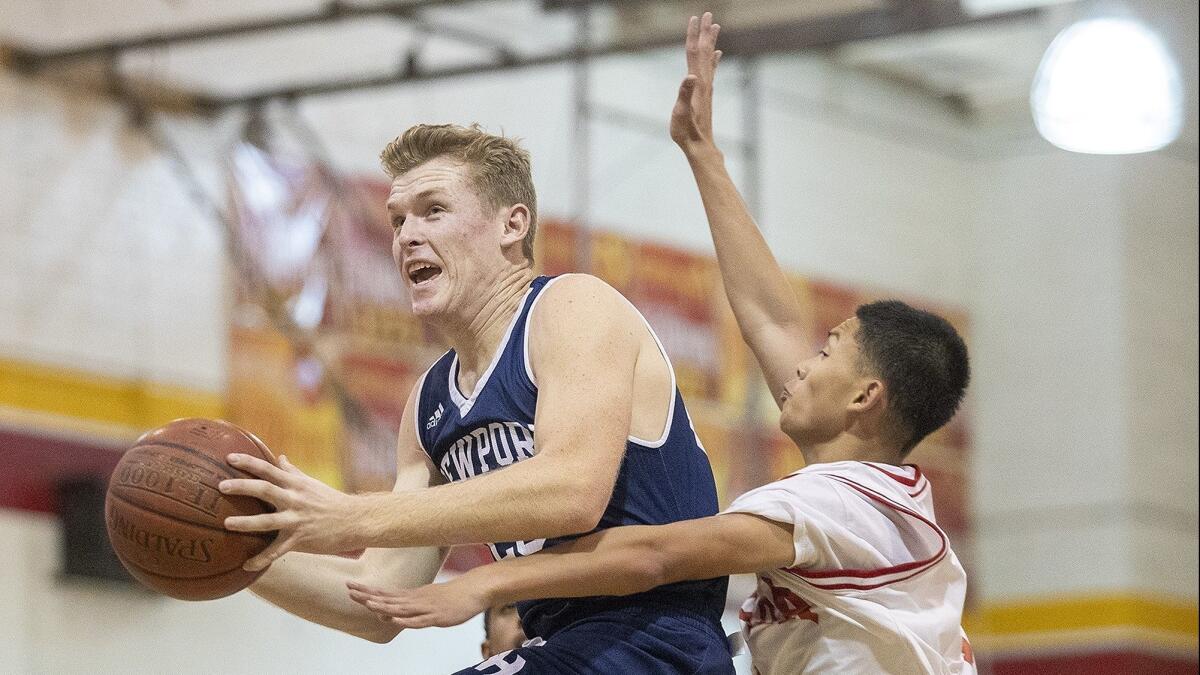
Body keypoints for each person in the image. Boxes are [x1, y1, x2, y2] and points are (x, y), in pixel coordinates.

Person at [345, 13, 976, 675]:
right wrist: (703, 153)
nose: (799, 363)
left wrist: (483, 581)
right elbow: (768, 315)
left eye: (826, 353)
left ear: (864, 397)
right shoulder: (866, 491)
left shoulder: (843, 504)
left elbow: (653, 556)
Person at [217, 122, 732, 672]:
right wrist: (236, 555)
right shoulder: (428, 401)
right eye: (397, 220)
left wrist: (352, 514)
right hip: (560, 646)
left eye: (432, 210)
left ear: (512, 225)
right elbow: (375, 598)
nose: (406, 236)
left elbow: (573, 489)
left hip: (657, 640)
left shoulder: (572, 308)